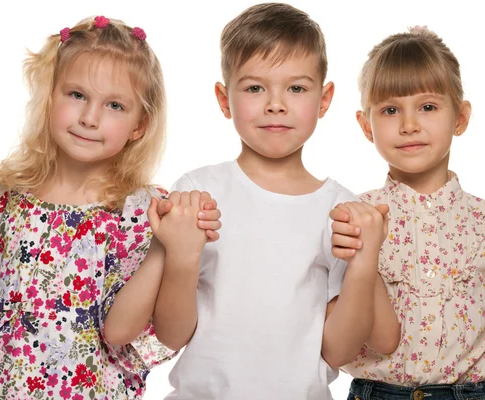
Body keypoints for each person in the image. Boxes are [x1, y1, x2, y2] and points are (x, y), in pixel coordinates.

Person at [0, 15, 219, 399]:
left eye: (115, 105)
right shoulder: (4, 198)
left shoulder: (140, 214)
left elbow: (122, 331)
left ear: (140, 124)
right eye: (76, 95)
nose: (90, 118)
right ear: (50, 96)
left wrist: (165, 247)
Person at [152, 4, 398, 399]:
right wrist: (181, 258)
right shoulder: (197, 192)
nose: (275, 104)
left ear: (324, 98)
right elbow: (171, 335)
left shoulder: (341, 211)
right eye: (254, 88)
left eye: (296, 88)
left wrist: (365, 261)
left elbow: (338, 351)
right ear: (224, 98)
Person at [331, 26, 485, 400]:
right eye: (390, 110)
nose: (409, 124)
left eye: (428, 107)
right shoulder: (354, 218)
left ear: (460, 118)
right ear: (366, 126)